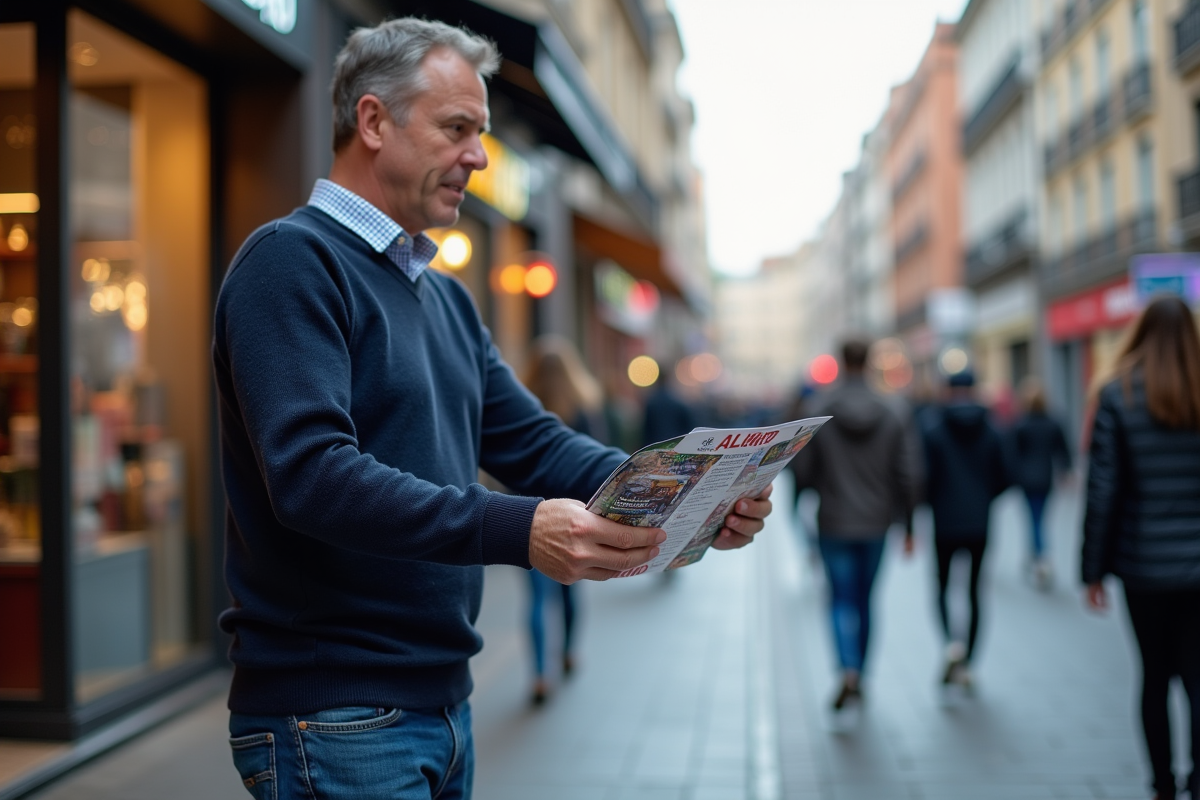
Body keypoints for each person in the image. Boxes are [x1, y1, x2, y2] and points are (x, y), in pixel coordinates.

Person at [211, 19, 774, 800]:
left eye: (479, 132)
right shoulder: (290, 261)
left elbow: (533, 443)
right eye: (457, 129)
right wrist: (517, 529)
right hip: (334, 714)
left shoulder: (441, 295)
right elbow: (313, 478)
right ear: (373, 122)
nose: (478, 155)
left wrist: (689, 493)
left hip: (439, 703)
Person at [1081, 296, 1200, 800]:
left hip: (1144, 565)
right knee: (1198, 678)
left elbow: (1103, 490)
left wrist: (1093, 570)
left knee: (1154, 676)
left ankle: (1162, 785)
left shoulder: (1116, 393)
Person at [789, 338, 920, 712]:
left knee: (838, 597)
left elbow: (804, 470)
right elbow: (908, 472)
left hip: (833, 520)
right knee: (866, 599)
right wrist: (908, 524)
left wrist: (804, 501)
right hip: (877, 522)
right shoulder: (894, 409)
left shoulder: (820, 409)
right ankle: (860, 672)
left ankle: (845, 668)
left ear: (841, 362)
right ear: (871, 362)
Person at [521, 336, 606, 705]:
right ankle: (568, 653)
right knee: (572, 587)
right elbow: (594, 458)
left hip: (530, 517)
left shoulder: (524, 405)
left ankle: (540, 673)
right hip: (576, 513)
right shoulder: (583, 405)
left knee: (538, 599)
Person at [920, 369, 1009, 691]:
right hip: (979, 522)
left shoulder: (932, 428)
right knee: (974, 591)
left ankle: (951, 645)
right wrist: (983, 498)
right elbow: (1007, 474)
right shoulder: (992, 427)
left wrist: (934, 502)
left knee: (942, 587)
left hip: (944, 522)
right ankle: (969, 661)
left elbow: (923, 479)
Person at [1008, 377, 1072, 589]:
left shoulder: (1021, 424)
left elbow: (1012, 454)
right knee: (1040, 518)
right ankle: (1036, 556)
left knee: (1033, 519)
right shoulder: (1053, 422)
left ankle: (1039, 557)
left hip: (1026, 480)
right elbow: (1063, 451)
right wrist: (1066, 472)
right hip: (1045, 479)